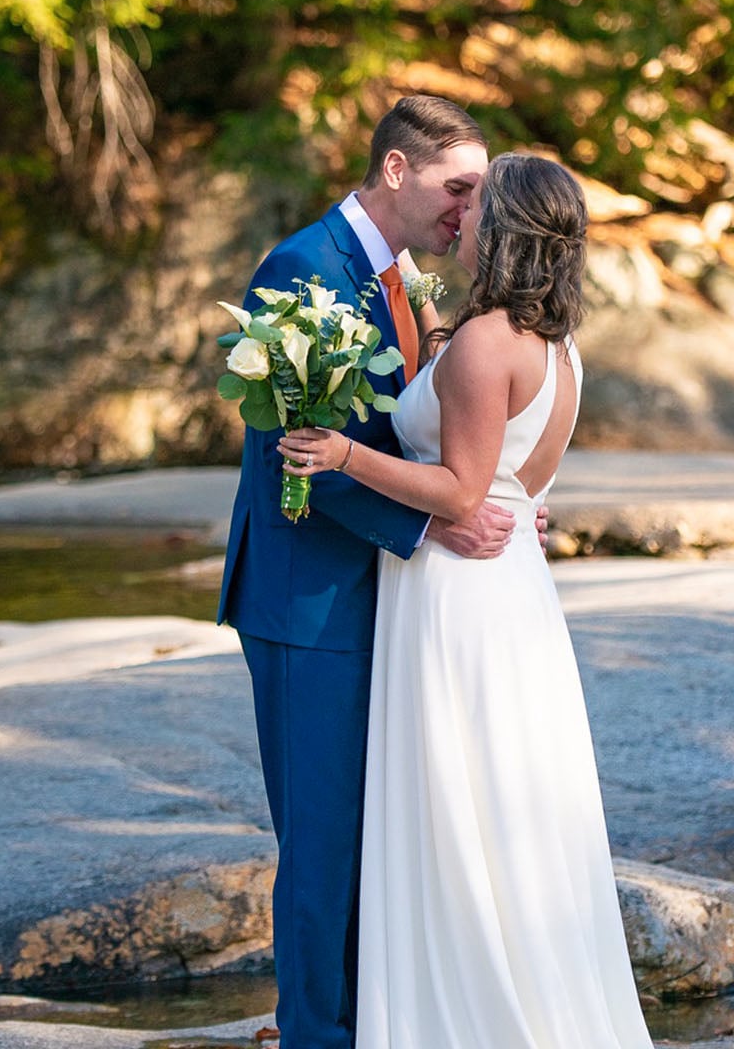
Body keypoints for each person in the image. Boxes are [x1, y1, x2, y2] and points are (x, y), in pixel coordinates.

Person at [279, 154, 655, 1047]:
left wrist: (342, 456)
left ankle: (464, 1018)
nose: (461, 216)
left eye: (475, 202)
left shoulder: (489, 341)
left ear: (507, 226)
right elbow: (510, 481)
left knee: (458, 803)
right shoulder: (552, 342)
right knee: (494, 804)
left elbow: (459, 491)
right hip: (506, 588)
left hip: (459, 596)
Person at [215, 95, 524, 1049]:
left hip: (376, 596)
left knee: (372, 834)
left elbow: (410, 430)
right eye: (457, 189)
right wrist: (434, 530)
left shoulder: (397, 277)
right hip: (310, 599)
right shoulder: (304, 267)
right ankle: (316, 1037)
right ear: (397, 170)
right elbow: (292, 449)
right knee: (321, 843)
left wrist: (490, 492)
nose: (469, 214)